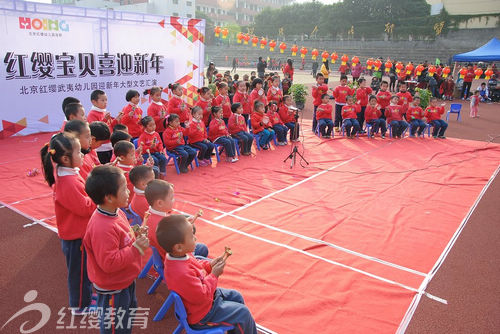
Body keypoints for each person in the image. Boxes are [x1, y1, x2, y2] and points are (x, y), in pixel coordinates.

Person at [156, 214, 257, 333]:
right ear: (178, 247)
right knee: (243, 315)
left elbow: (197, 267)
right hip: (202, 314)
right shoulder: (180, 273)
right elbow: (201, 295)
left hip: (206, 301)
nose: (195, 238)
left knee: (236, 296)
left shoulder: (180, 256)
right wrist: (214, 275)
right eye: (191, 236)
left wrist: (210, 265)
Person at [84, 165, 149, 334]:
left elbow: (122, 238)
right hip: (113, 287)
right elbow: (109, 263)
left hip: (124, 280)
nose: (129, 191)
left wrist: (135, 232)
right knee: (115, 326)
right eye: (123, 188)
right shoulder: (102, 227)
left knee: (126, 319)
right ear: (109, 197)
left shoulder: (116, 212)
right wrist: (135, 248)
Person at [40, 132, 96, 315]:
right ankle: (80, 305)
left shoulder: (69, 175)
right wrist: (100, 196)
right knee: (78, 274)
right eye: (79, 152)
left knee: (84, 269)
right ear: (65, 158)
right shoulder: (67, 182)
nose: (82, 155)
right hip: (75, 237)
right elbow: (85, 207)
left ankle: (86, 296)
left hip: (79, 233)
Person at [144, 180, 209, 260]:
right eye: (171, 198)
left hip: (163, 256)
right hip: (174, 260)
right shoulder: (162, 225)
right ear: (160, 203)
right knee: (203, 250)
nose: (174, 200)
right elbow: (176, 251)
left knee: (202, 248)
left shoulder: (149, 215)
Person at [87, 90, 123, 164]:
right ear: (94, 102)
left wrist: (116, 120)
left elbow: (109, 127)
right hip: (100, 147)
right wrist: (104, 120)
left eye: (106, 100)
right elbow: (95, 130)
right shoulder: (92, 114)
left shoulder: (104, 112)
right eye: (102, 100)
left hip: (108, 144)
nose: (105, 102)